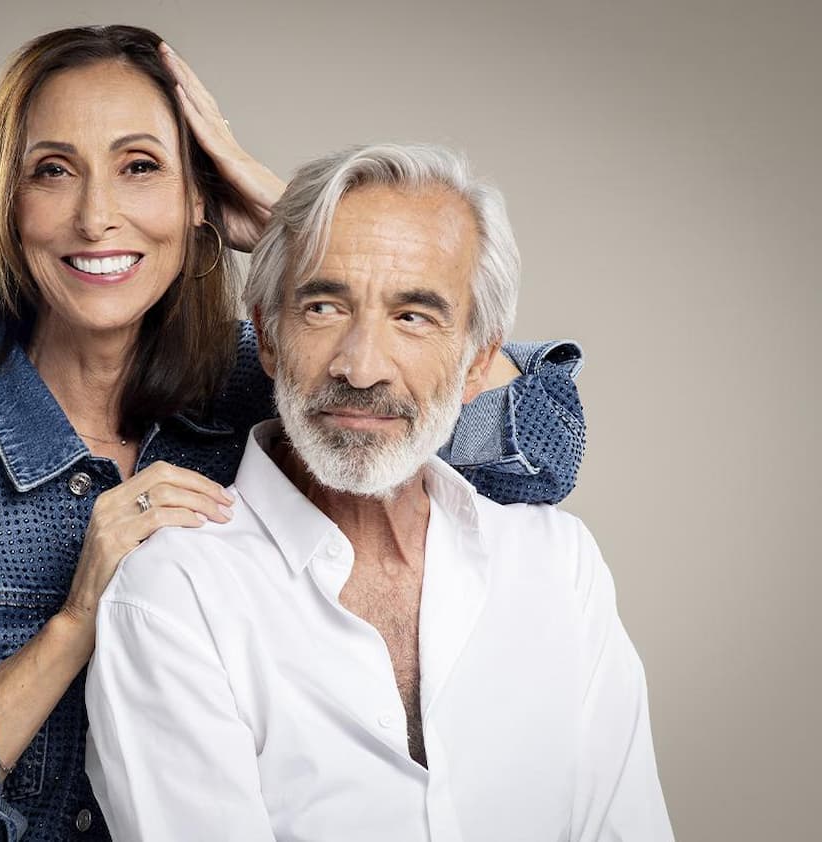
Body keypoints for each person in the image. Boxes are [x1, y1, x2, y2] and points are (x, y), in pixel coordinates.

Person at [0, 26, 587, 842]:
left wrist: (300, 232)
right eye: (53, 172)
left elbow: (533, 452)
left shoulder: (271, 385)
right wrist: (73, 624)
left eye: (139, 167)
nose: (96, 217)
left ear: (197, 198)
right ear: (8, 206)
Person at [85, 143, 672, 841]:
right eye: (325, 306)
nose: (361, 368)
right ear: (268, 336)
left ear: (480, 358)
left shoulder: (559, 567)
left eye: (413, 316)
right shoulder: (174, 596)